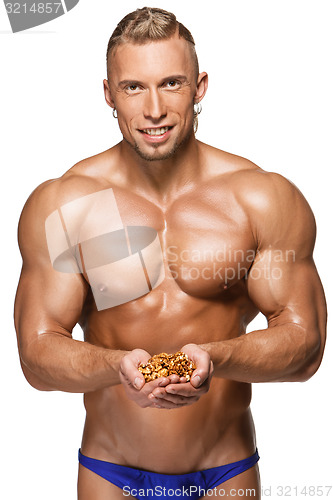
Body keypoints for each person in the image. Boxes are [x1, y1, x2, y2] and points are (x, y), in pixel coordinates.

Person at [14, 7, 327, 500]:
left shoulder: (261, 199)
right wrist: (117, 366)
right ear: (108, 93)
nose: (154, 108)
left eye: (172, 83)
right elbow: (36, 356)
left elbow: (305, 348)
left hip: (225, 473)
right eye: (134, 87)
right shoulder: (65, 204)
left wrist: (217, 358)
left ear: (200, 87)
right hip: (110, 472)